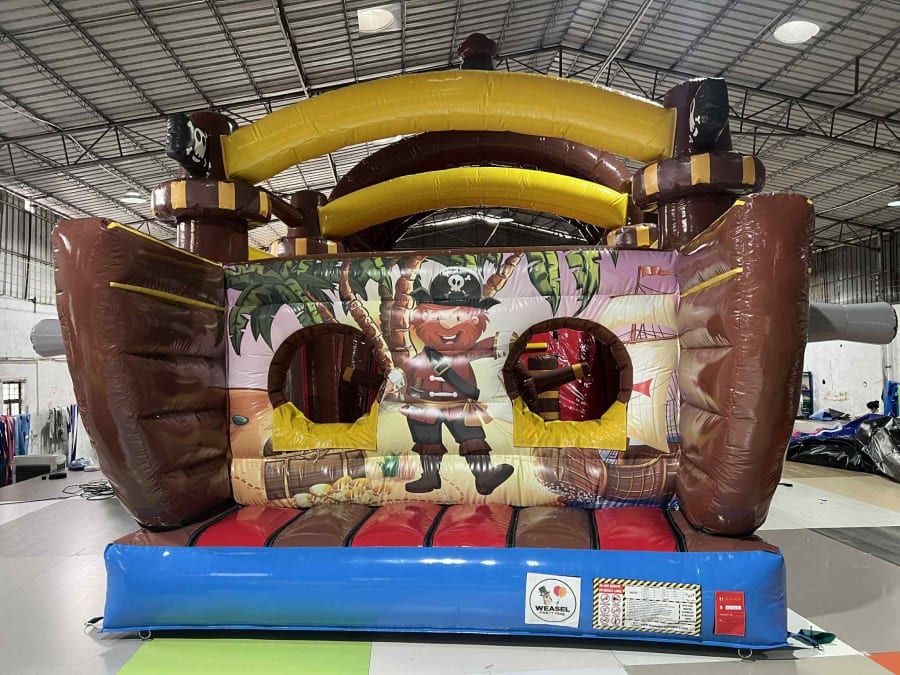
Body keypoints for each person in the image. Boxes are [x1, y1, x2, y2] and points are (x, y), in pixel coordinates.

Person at [397, 267, 514, 496]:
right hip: (424, 404)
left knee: (472, 437)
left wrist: (507, 339)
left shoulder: (466, 351)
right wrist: (396, 377)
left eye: (458, 317)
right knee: (427, 440)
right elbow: (407, 368)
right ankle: (430, 476)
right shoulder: (424, 356)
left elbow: (488, 346)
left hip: (460, 403)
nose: (448, 325)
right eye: (439, 317)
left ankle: (484, 475)